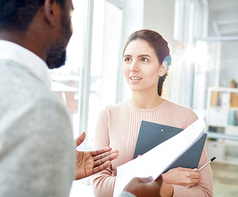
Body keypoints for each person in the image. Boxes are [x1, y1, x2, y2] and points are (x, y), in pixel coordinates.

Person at [0, 1, 162, 197]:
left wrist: (54, 170)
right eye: (71, 14)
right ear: (51, 9)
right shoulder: (37, 107)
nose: (72, 30)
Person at [91, 29, 214, 197]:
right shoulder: (108, 116)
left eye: (144, 59)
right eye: (128, 59)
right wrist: (164, 179)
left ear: (162, 68)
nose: (133, 67)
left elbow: (205, 193)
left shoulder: (187, 118)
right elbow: (99, 187)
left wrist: (167, 190)